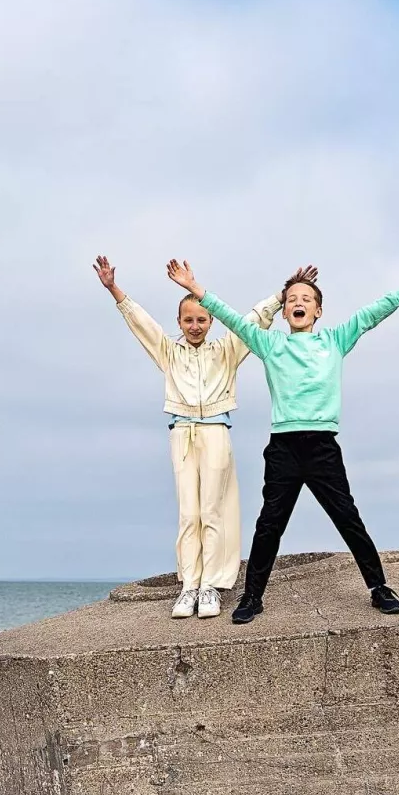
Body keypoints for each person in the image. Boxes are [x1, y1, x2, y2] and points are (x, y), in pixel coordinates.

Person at [165, 257, 399, 623]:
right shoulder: (270, 344)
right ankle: (252, 597)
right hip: (283, 447)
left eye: (306, 299)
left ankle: (379, 588)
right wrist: (194, 289)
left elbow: (371, 314)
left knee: (347, 518)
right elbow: (232, 318)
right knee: (269, 524)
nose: (299, 302)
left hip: (322, 446)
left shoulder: (335, 340)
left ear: (318, 310)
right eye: (292, 298)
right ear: (285, 311)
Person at [93, 255, 317, 619]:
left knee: (213, 509)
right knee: (189, 512)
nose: (195, 326)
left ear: (211, 321)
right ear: (179, 323)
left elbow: (252, 321)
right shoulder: (169, 351)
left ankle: (211, 585)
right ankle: (189, 586)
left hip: (215, 429)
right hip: (182, 432)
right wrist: (114, 290)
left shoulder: (226, 350)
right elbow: (141, 324)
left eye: (201, 319)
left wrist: (283, 295)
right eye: (188, 320)